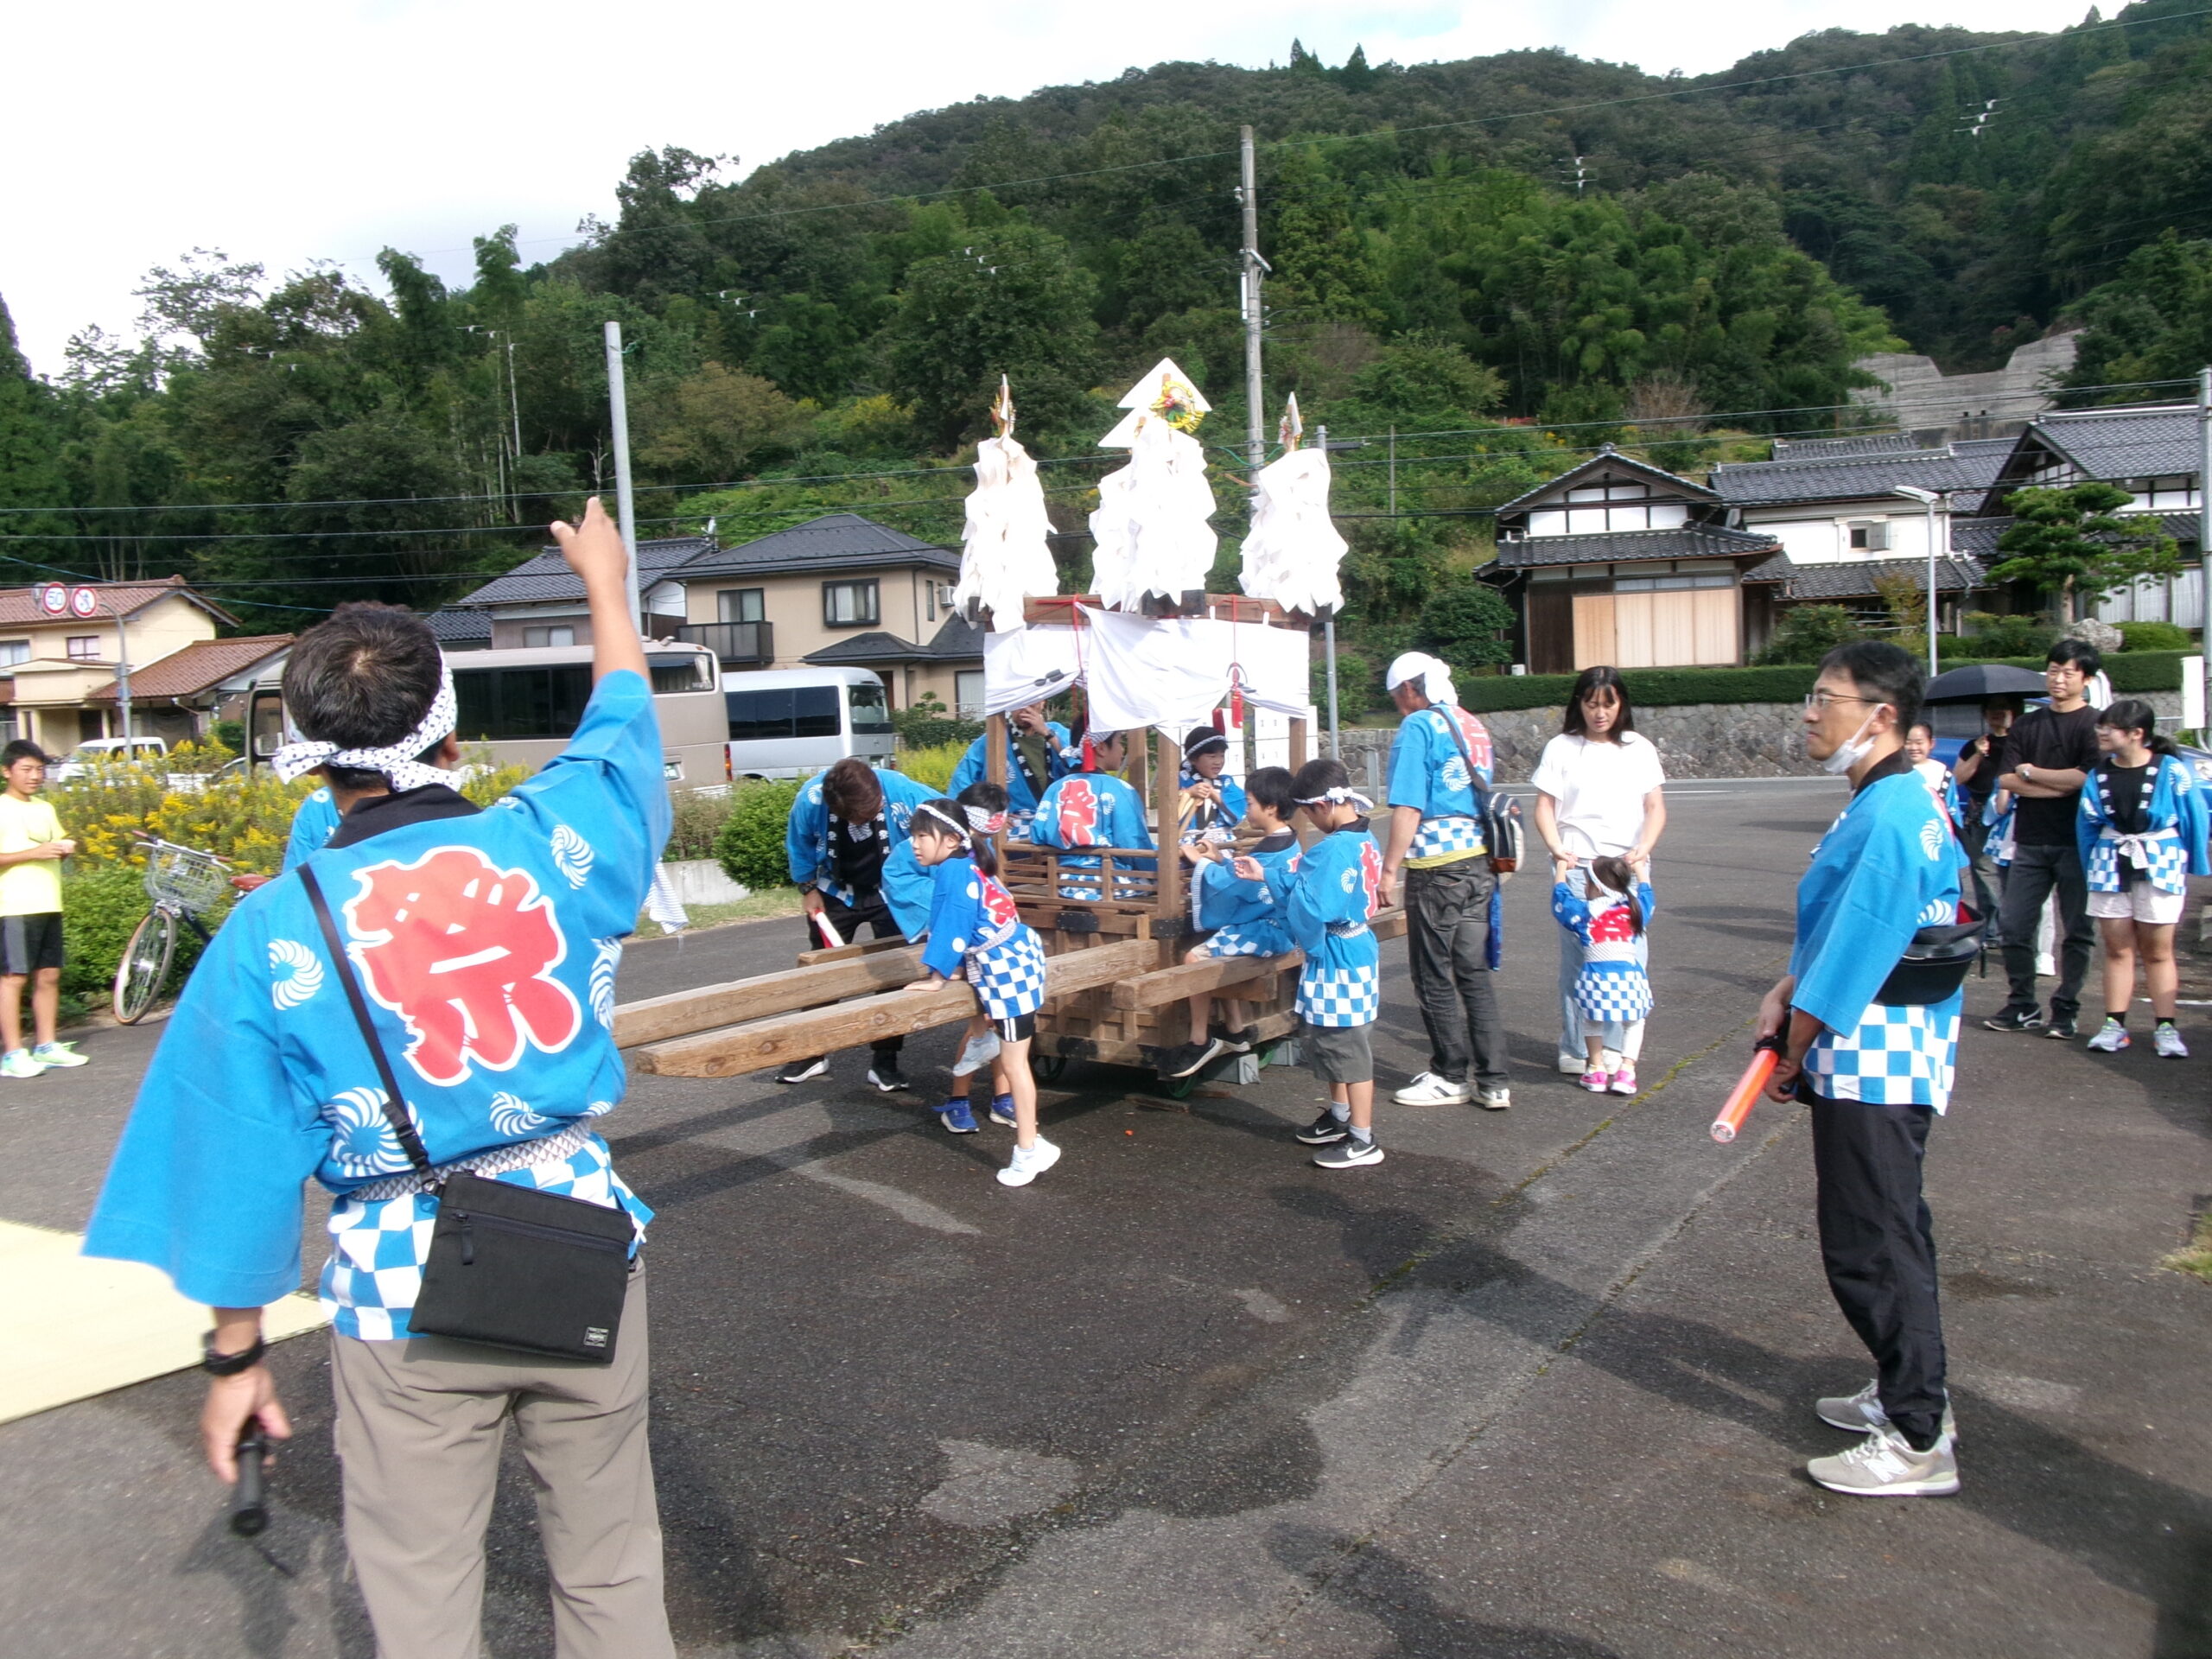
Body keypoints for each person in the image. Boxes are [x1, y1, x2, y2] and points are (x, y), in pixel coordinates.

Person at [84, 497, 679, 1656]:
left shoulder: (273, 930)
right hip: (578, 1242)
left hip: (403, 1284)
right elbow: (620, 726)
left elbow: (231, 1153)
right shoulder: (557, 835)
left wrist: (236, 1356)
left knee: (419, 1594)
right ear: (449, 738)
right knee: (612, 1569)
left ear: (310, 751)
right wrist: (606, 587)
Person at [1758, 641, 1965, 1497]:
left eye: (1823, 698)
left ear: (1881, 715)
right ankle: (1902, 1391)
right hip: (1890, 1050)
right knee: (1890, 1229)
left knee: (1871, 1244)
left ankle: (1919, 1437)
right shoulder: (1890, 799)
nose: (1809, 713)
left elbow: (1855, 953)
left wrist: (1792, 1045)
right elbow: (1837, 934)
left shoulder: (1886, 813)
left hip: (1874, 1059)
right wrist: (1785, 985)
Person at [1376, 652, 1510, 1110]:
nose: (1399, 708)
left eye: (1397, 698)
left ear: (1411, 690)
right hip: (1479, 863)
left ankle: (1450, 1074)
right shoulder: (1471, 723)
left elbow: (1409, 806)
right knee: (1472, 974)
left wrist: (1389, 869)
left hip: (1437, 867)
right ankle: (1493, 1081)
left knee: (1432, 973)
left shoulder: (1418, 727)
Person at [905, 798, 1055, 1185]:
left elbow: (952, 923)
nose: (915, 844)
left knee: (1016, 1065)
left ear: (953, 839)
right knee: (1012, 1057)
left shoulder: (955, 872)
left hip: (1008, 970)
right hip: (1017, 958)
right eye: (913, 837)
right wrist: (950, 967)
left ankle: (1028, 1150)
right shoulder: (966, 865)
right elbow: (959, 923)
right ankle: (984, 1041)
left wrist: (936, 975)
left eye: (923, 836)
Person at [1529, 666, 1667, 1077]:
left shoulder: (1638, 748)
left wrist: (1644, 850)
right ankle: (1576, 1047)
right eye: (1591, 704)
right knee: (1579, 962)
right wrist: (1556, 850)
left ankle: (1618, 1050)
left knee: (1629, 959)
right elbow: (1544, 807)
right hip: (1580, 867)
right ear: (1579, 705)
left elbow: (1655, 807)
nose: (1600, 713)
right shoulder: (1561, 747)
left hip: (1626, 867)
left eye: (1608, 704)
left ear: (1621, 704)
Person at [1252, 758, 1385, 1168]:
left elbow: (1312, 907)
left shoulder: (1331, 850)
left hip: (1336, 955)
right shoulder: (1365, 837)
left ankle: (1363, 1138)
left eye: (1308, 810)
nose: (1308, 818)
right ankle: (1341, 1117)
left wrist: (1277, 890)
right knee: (1333, 1038)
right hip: (1356, 947)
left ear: (1323, 805)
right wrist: (1266, 875)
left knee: (1347, 1045)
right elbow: (1313, 893)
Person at [780, 755, 939, 1089]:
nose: (867, 816)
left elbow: (946, 817)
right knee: (822, 971)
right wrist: (808, 887)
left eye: (872, 809)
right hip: (835, 891)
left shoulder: (901, 789)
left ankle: (885, 1061)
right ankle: (813, 1052)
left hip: (890, 892)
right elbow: (800, 842)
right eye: (859, 815)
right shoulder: (811, 799)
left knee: (892, 972)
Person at [2077, 698, 2209, 1058]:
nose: (2101, 732)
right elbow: (2087, 825)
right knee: (2117, 949)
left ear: (2137, 734)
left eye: (2110, 727)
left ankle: (2166, 1027)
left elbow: (2195, 817)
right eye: (2101, 726)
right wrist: (2089, 867)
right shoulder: (2098, 774)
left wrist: (2196, 864)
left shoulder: (2171, 770)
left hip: (2160, 859)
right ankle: (2113, 1025)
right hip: (2109, 860)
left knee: (2158, 950)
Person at [1986, 639, 2103, 1038]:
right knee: (2015, 925)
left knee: (2078, 931)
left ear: (2086, 679)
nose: (2059, 678)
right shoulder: (2027, 724)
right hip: (2030, 841)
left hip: (2078, 843)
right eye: (2054, 669)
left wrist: (2032, 774)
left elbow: (2088, 780)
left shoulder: (2094, 725)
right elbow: (2005, 780)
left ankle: (2066, 1007)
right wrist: (2059, 783)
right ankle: (2022, 1004)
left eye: (2069, 671)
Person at [1159, 765, 1299, 1079]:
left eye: (1249, 803)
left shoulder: (1271, 849)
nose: (1246, 809)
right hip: (1280, 925)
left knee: (1195, 956)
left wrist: (1201, 863)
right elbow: (1246, 873)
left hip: (1269, 931)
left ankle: (1199, 1039)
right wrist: (1220, 860)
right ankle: (1235, 1030)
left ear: (1271, 807)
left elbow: (1233, 886)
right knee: (1222, 945)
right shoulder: (1289, 841)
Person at [925, 781, 1023, 1135]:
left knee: (997, 1023)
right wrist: (942, 967)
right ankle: (958, 1099)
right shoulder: (952, 855)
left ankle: (1001, 1096)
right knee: (979, 1025)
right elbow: (948, 913)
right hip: (969, 952)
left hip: (986, 951)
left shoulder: (979, 849)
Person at [0, 741, 85, 1077]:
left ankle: (47, 1046)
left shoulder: (45, 808)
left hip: (49, 902)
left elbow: (55, 844)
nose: (35, 776)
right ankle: (12, 1053)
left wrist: (64, 849)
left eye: (39, 769)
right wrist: (33, 854)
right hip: (13, 907)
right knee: (13, 979)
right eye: (27, 769)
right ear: (7, 772)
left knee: (49, 975)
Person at [1550, 854, 1654, 1096]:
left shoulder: (1585, 913)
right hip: (1630, 978)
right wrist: (1640, 868)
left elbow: (1561, 900)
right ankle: (1626, 1071)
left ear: (1595, 886)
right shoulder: (1635, 909)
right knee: (1635, 1021)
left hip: (1595, 979)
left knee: (1592, 1020)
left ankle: (1596, 1070)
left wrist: (1562, 868)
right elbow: (1648, 893)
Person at [1026, 728, 1155, 901]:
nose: (1122, 750)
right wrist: (1157, 870)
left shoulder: (1055, 788)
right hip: (1112, 881)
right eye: (1119, 743)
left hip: (1063, 880)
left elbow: (1039, 833)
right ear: (1101, 747)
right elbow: (1133, 843)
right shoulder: (1120, 789)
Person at [1948, 696, 2020, 938]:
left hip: (2013, 814)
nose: (1997, 713)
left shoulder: (2020, 741)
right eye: (1991, 709)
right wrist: (1978, 754)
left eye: (2002, 708)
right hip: (1981, 814)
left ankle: (2012, 926)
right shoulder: (1974, 745)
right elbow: (1958, 778)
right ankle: (1990, 929)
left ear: (2014, 711)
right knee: (1983, 870)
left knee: (2014, 871)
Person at [950, 700, 1071, 832]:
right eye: (1018, 704)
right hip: (1011, 826)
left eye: (1032, 704)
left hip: (1058, 821)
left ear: (1043, 703)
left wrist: (1047, 734)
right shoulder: (991, 740)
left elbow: (1080, 765)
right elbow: (962, 783)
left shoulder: (1058, 732)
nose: (1025, 710)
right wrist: (988, 814)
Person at [1177, 725, 1247, 846]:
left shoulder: (1226, 783)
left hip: (1220, 846)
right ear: (1193, 759)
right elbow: (1168, 810)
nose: (1218, 762)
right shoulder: (1179, 780)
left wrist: (1217, 796)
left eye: (1222, 756)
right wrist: (1188, 793)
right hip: (1186, 845)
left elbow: (1240, 808)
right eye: (1212, 757)